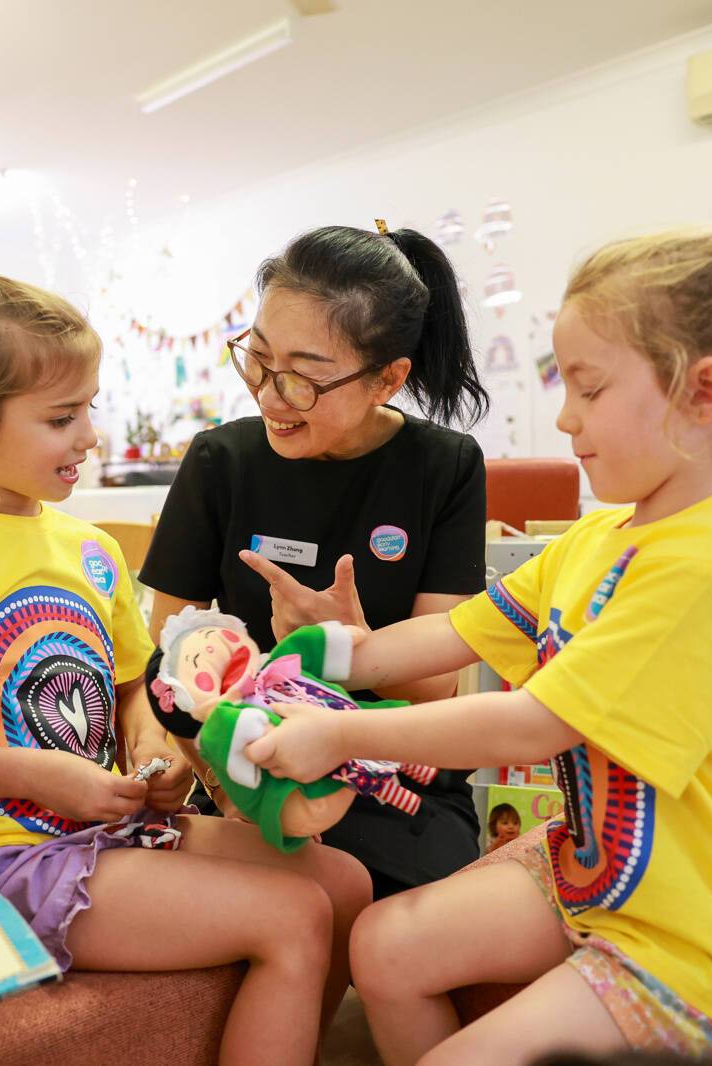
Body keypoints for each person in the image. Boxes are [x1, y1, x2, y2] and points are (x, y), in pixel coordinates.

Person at [247, 230, 712, 1064]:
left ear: (703, 392)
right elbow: (455, 630)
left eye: (589, 388)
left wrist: (339, 732)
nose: (563, 416)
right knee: (385, 943)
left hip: (695, 939)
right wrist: (335, 658)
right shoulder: (598, 540)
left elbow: (533, 724)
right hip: (595, 877)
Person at [0, 268, 372, 1066]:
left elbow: (133, 691)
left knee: (344, 885)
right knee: (294, 916)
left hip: (108, 829)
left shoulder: (92, 551)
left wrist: (152, 751)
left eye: (90, 409)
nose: (90, 438)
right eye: (60, 418)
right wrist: (46, 778)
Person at [140, 221, 491, 897]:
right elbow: (172, 668)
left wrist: (356, 642)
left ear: (387, 379)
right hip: (250, 768)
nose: (270, 396)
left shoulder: (444, 466)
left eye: (303, 378)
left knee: (386, 911)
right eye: (258, 358)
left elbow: (436, 690)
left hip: (397, 774)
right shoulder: (220, 462)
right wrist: (228, 792)